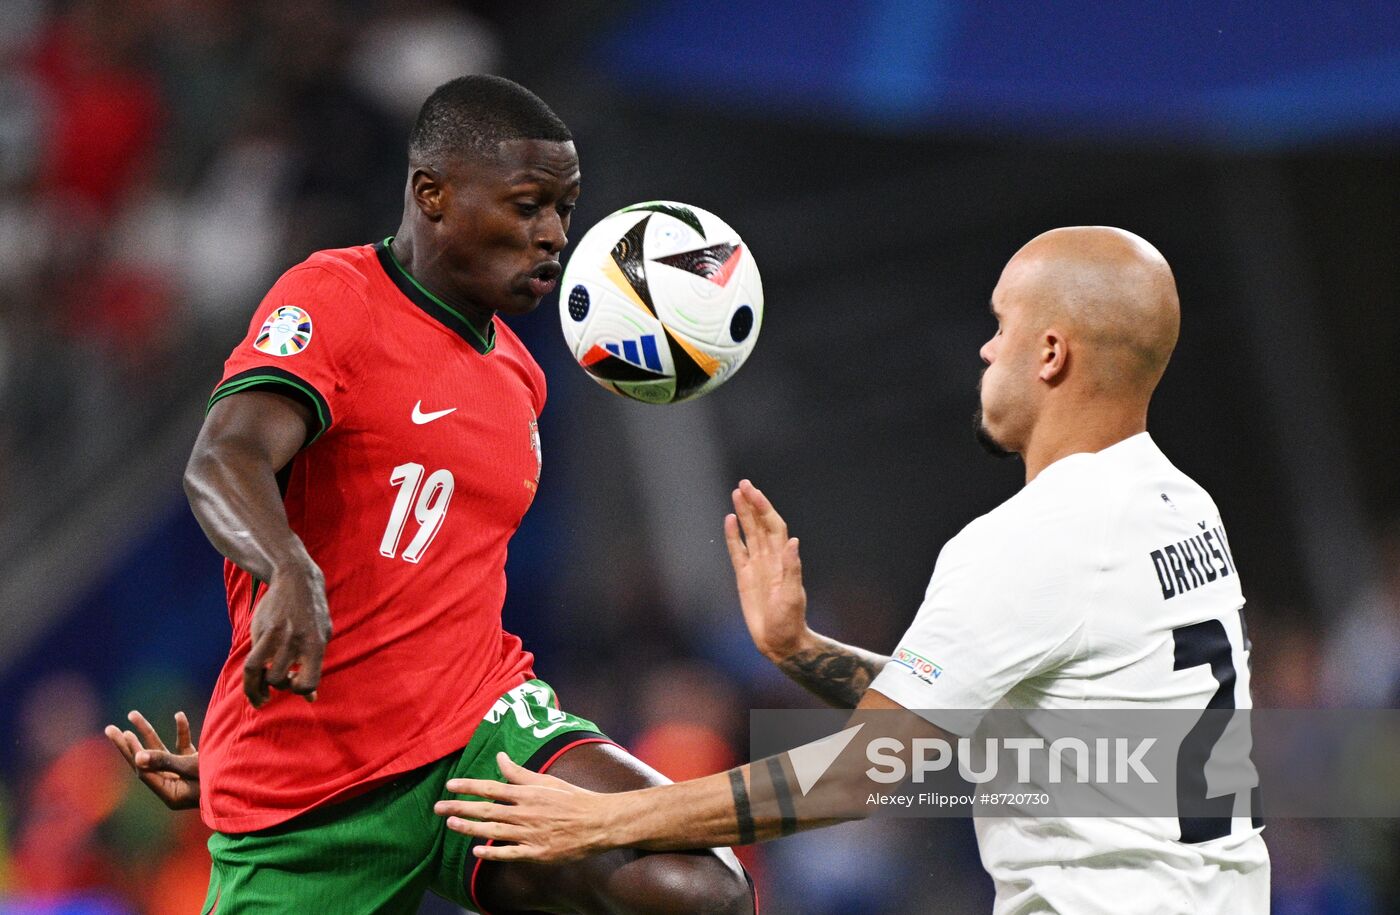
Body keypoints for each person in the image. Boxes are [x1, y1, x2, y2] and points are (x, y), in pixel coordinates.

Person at [431, 227, 1272, 913]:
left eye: (1000, 324)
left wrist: (607, 817)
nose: (985, 350)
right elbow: (1030, 743)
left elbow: (865, 771)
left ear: (1050, 352)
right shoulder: (1185, 509)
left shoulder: (1031, 537)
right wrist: (802, 650)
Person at [104, 75, 752, 915]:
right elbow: (223, 458)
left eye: (565, 207)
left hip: (478, 736)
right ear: (432, 194)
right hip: (315, 796)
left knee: (695, 890)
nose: (555, 234)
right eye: (528, 205)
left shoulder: (519, 374)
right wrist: (288, 568)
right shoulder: (336, 297)